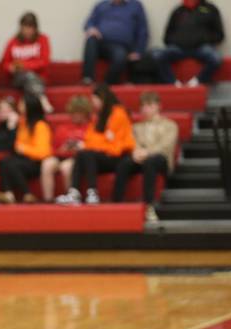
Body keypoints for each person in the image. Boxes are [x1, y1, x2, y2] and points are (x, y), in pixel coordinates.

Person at [56, 84, 135, 205]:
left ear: (102, 99)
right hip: (101, 154)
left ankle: (92, 191)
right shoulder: (98, 116)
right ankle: (74, 192)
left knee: (87, 153)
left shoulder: (119, 114)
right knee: (82, 154)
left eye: (95, 100)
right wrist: (89, 145)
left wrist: (93, 145)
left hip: (117, 157)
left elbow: (116, 146)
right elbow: (91, 138)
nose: (93, 104)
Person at [113, 92, 179, 222]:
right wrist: (136, 152)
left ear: (158, 106)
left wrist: (147, 152)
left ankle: (149, 206)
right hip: (142, 158)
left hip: (161, 160)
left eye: (149, 105)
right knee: (124, 163)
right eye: (143, 106)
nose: (145, 109)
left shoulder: (170, 125)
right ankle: (117, 203)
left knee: (151, 161)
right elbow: (133, 144)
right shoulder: (136, 127)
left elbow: (166, 146)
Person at [0, 94, 52, 204]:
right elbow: (10, 145)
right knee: (4, 161)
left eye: (22, 103)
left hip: (36, 162)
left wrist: (24, 149)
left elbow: (43, 152)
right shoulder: (21, 123)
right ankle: (9, 194)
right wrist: (11, 126)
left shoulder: (40, 125)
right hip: (22, 159)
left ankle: (27, 193)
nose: (19, 105)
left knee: (11, 163)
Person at [153, 0, 225, 87]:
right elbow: (167, 36)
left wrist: (203, 39)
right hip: (179, 48)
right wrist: (178, 40)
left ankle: (196, 82)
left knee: (216, 58)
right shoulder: (178, 11)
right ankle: (174, 85)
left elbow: (219, 35)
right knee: (157, 55)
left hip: (201, 48)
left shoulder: (210, 9)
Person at [82, 0, 149, 85]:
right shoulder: (101, 5)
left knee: (120, 56)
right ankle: (87, 79)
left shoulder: (136, 6)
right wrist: (91, 28)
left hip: (120, 46)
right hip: (101, 43)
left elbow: (143, 30)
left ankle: (106, 86)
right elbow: (89, 23)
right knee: (91, 39)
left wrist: (138, 50)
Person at [40, 95, 92, 202]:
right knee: (47, 164)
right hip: (61, 155)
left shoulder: (91, 128)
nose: (75, 115)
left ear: (85, 113)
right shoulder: (62, 128)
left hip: (76, 159)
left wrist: (79, 148)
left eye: (79, 112)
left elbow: (93, 147)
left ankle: (72, 197)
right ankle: (48, 199)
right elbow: (53, 149)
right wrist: (62, 149)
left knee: (66, 167)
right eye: (73, 112)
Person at [0, 12, 54, 114]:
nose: (27, 31)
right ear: (20, 27)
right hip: (17, 78)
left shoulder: (43, 40)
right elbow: (4, 63)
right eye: (25, 27)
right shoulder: (12, 42)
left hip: (39, 77)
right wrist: (10, 67)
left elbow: (44, 62)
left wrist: (24, 66)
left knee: (29, 77)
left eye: (30, 27)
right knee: (27, 75)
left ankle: (29, 101)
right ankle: (42, 99)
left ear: (35, 28)